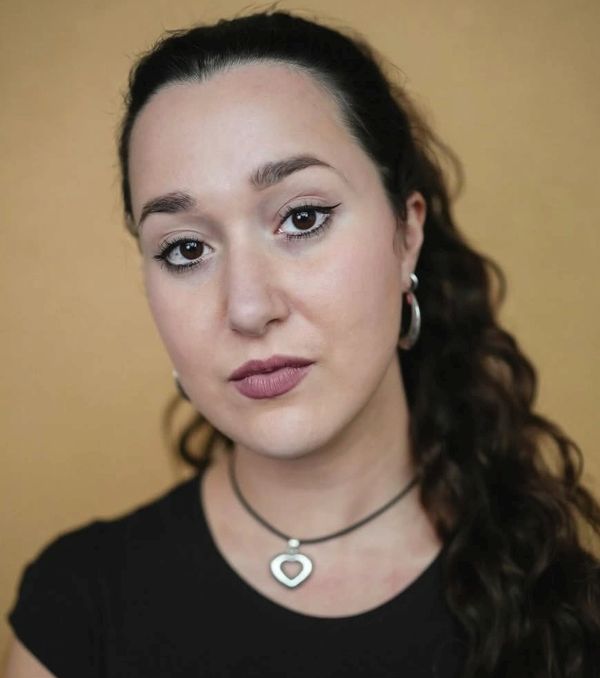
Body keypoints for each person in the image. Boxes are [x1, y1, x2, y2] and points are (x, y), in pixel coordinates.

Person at [5, 10, 600, 678]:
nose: (248, 308)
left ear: (406, 233)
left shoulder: (564, 605)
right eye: (186, 249)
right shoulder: (76, 612)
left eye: (303, 217)